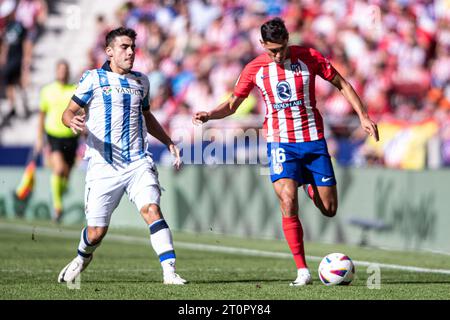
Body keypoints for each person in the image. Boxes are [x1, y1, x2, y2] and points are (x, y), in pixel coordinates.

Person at [193, 18, 379, 286]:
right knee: (287, 200)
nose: (278, 55)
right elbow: (234, 103)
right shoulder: (254, 69)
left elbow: (342, 84)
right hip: (280, 143)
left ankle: (307, 184)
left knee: (329, 209)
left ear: (288, 39)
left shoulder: (309, 57)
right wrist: (211, 114)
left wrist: (363, 116)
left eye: (281, 49)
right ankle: (302, 270)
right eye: (272, 51)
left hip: (313, 141)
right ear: (262, 45)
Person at [58, 27, 187, 285]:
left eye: (132, 48)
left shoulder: (142, 81)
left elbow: (147, 116)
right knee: (96, 233)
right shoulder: (93, 78)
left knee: (152, 209)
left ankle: (169, 272)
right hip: (103, 166)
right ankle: (82, 257)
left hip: (138, 161)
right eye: (124, 47)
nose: (130, 52)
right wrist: (71, 122)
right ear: (109, 51)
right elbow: (68, 112)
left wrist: (169, 142)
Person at [35, 60, 78, 223]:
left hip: (71, 136)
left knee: (66, 174)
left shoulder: (74, 90)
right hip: (53, 135)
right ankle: (57, 207)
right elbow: (41, 115)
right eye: (60, 69)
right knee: (59, 169)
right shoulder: (47, 91)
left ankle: (59, 192)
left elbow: (80, 110)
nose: (63, 72)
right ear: (56, 71)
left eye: (65, 69)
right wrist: (39, 138)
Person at [0, 0, 31, 128]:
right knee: (8, 83)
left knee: (18, 83)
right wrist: (3, 57)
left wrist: (26, 60)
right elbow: (5, 44)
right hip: (10, 60)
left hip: (18, 59)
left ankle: (23, 104)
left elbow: (26, 43)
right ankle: (12, 107)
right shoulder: (6, 27)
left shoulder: (20, 26)